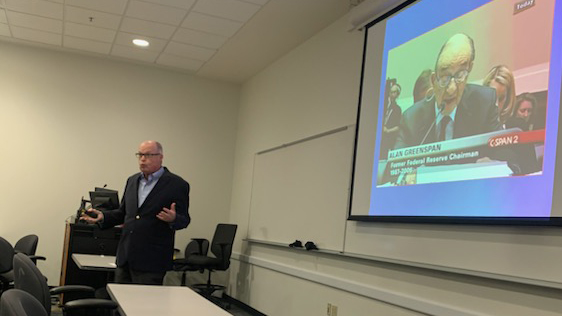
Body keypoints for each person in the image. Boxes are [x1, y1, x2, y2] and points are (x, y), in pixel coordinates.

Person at [81, 140, 190, 285]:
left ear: (161, 157)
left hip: (151, 261)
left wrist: (173, 218)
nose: (143, 159)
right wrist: (103, 217)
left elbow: (185, 220)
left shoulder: (177, 184)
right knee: (119, 303)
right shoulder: (132, 181)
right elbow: (123, 213)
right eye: (140, 155)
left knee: (145, 306)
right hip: (125, 257)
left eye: (148, 155)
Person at [394, 33, 500, 149]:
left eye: (460, 75)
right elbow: (394, 165)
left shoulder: (484, 104)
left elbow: (507, 156)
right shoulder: (411, 119)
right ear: (434, 80)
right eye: (444, 78)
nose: (451, 90)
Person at [380, 80, 402, 159]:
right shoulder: (383, 104)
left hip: (387, 139)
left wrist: (387, 130)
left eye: (394, 92)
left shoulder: (397, 109)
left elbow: (398, 127)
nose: (392, 93)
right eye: (391, 91)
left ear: (398, 94)